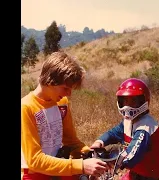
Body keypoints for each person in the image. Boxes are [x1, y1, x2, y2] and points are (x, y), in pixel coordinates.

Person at [21, 51, 108, 180]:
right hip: (35, 175)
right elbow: (34, 160)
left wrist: (92, 155)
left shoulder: (62, 103)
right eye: (65, 88)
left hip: (60, 168)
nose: (69, 94)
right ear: (50, 80)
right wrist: (81, 166)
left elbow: (70, 140)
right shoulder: (26, 107)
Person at [90, 78, 159, 180]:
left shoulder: (146, 126)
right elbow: (114, 133)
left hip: (147, 176)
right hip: (135, 172)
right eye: (125, 101)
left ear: (144, 101)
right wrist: (100, 142)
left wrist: (110, 161)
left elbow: (133, 154)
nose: (127, 106)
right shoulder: (129, 121)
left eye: (133, 101)